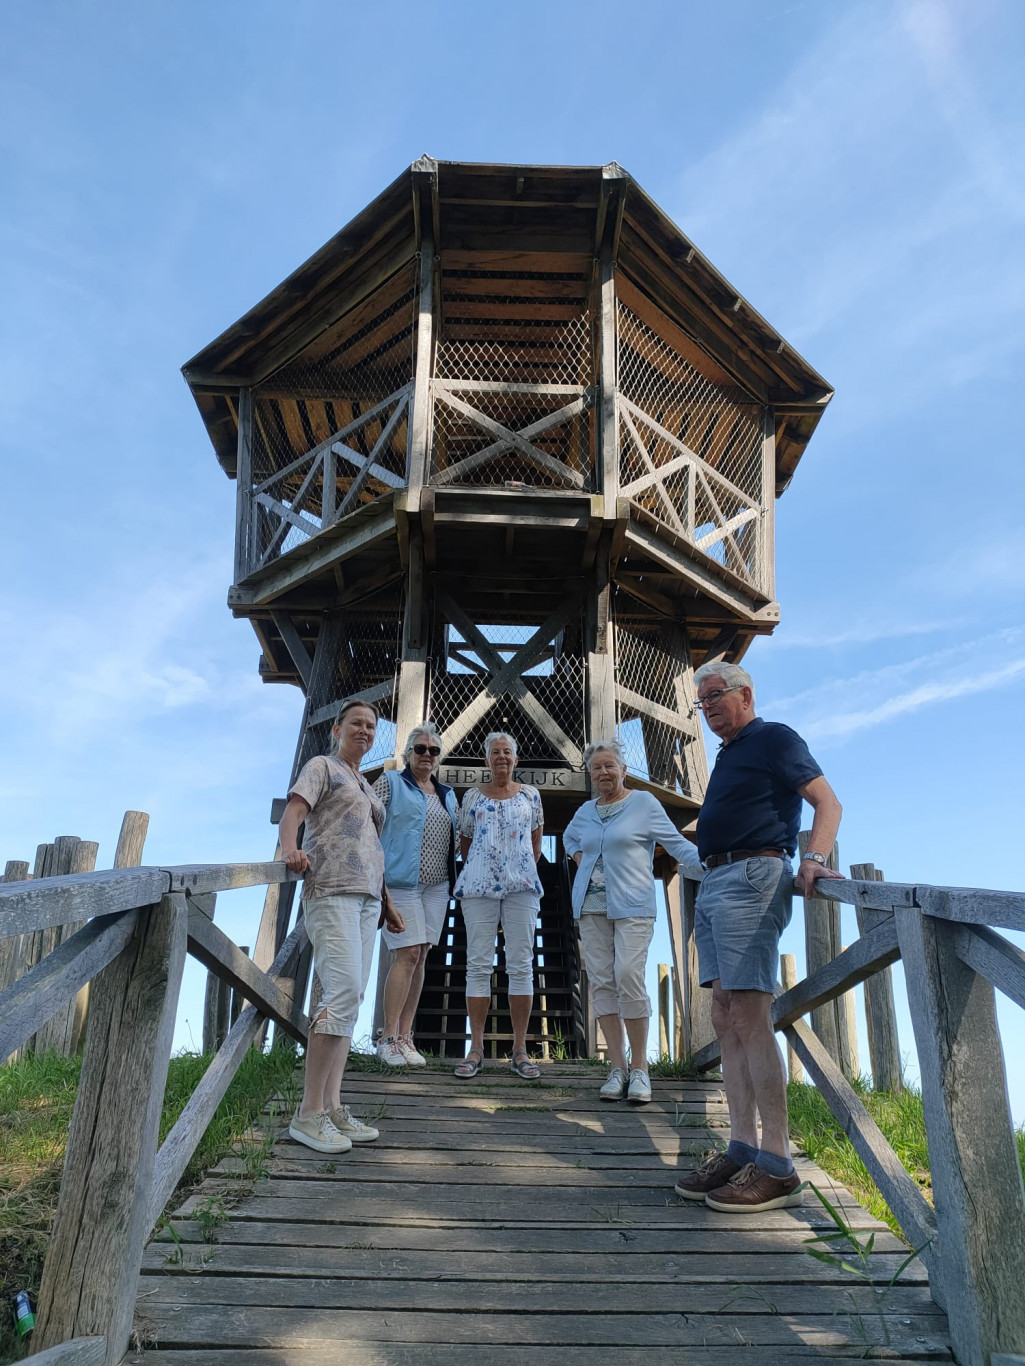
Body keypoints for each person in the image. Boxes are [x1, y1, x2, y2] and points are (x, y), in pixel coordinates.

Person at [673, 661, 842, 1213]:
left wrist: (813, 858)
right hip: (717, 879)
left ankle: (777, 1164)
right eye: (701, 703)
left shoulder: (774, 737)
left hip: (752, 876)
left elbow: (827, 802)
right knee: (724, 1012)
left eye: (715, 696)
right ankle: (740, 1145)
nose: (708, 708)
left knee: (749, 1013)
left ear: (745, 694)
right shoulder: (727, 754)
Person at [278, 697, 405, 1154]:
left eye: (372, 726)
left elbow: (371, 844)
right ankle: (308, 1113)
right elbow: (294, 810)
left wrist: (387, 901)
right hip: (330, 887)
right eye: (357, 723)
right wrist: (289, 849)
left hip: (368, 899)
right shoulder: (322, 767)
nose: (365, 731)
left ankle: (332, 1106)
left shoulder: (366, 783)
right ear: (337, 729)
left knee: (350, 997)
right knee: (342, 992)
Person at [564, 740, 705, 1104]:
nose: (604, 773)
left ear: (624, 770)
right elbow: (568, 838)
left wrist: (711, 866)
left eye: (610, 765)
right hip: (591, 906)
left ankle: (640, 1068)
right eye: (597, 768)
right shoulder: (585, 811)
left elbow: (675, 843)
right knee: (601, 982)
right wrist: (584, 861)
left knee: (627, 974)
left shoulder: (643, 803)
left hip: (633, 905)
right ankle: (617, 1068)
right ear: (591, 774)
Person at [453, 732, 544, 1081]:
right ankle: (476, 1048)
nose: (501, 757)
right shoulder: (472, 796)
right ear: (486, 760)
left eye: (507, 752)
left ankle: (519, 1049)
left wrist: (517, 869)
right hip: (477, 888)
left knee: (520, 964)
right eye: (495, 753)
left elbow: (535, 843)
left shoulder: (531, 796)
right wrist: (486, 867)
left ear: (516, 759)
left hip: (521, 889)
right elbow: (465, 841)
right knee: (478, 964)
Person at [372, 722, 459, 1068]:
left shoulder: (448, 795)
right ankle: (387, 1038)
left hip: (437, 886)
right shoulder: (391, 782)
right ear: (408, 754)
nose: (426, 755)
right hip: (400, 883)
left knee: (421, 955)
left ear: (438, 758)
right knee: (406, 953)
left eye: (433, 750)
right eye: (420, 749)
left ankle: (406, 1038)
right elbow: (368, 819)